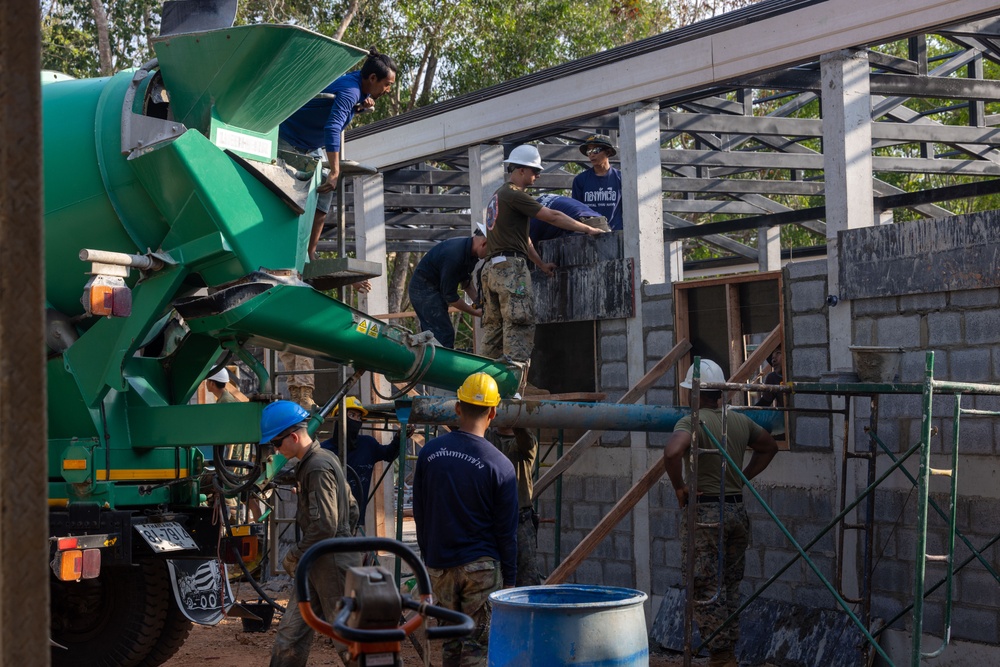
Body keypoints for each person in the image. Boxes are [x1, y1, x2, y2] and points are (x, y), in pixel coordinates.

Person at [663, 359, 778, 667]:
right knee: (728, 584)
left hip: (707, 514)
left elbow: (673, 452)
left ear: (695, 394)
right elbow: (769, 446)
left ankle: (721, 655)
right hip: (736, 510)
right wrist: (740, 478)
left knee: (704, 584)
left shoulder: (693, 421)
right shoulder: (739, 420)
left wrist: (679, 488)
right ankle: (727, 653)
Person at [412, 373, 519, 666]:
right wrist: (509, 579)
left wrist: (428, 560)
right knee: (476, 649)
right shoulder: (501, 465)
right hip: (481, 570)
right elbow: (507, 531)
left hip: (439, 566)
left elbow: (420, 512)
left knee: (450, 645)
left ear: (458, 407)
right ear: (493, 413)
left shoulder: (430, 453)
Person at [481, 144, 605, 366]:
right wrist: (588, 229)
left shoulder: (498, 196)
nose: (537, 176)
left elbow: (524, 237)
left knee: (495, 331)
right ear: (521, 170)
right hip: (510, 270)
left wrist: (539, 264)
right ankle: (514, 387)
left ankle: (481, 381)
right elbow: (553, 216)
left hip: (493, 269)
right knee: (518, 324)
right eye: (534, 171)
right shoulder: (514, 194)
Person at [261, 401, 361, 667]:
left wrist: (295, 554)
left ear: (293, 436)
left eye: (277, 443)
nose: (276, 449)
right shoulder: (317, 463)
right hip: (318, 560)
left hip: (331, 562)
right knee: (290, 634)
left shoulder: (317, 466)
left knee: (349, 639)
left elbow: (325, 525)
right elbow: (351, 509)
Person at [279, 48, 397, 260]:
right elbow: (333, 127)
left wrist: (361, 105)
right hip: (290, 138)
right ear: (372, 78)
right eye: (387, 84)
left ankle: (310, 252)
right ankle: (285, 246)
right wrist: (335, 170)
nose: (388, 90)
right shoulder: (351, 91)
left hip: (309, 144)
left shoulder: (358, 87)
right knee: (300, 189)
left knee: (324, 190)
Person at [279, 279, 372, 411]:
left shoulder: (302, 261)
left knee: (302, 346)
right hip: (284, 296)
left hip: (297, 294)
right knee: (286, 348)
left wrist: (353, 281)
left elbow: (319, 266)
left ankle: (304, 394)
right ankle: (296, 395)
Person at [320, 396, 407, 526]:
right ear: (338, 417)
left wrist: (399, 438)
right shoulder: (324, 450)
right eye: (352, 415)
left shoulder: (367, 445)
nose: (356, 420)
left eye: (359, 417)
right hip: (328, 518)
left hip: (355, 517)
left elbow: (389, 454)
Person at [408, 226, 489, 348]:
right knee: (443, 334)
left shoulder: (471, 253)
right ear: (484, 243)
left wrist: (479, 303)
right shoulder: (454, 256)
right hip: (423, 289)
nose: (490, 254)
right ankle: (435, 365)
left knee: (435, 334)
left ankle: (423, 356)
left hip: (434, 288)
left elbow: (466, 282)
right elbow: (451, 297)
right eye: (490, 250)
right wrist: (474, 312)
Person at [485, 426, 542, 586]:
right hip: (490, 520)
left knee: (526, 581)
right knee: (488, 578)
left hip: (520, 521)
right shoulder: (487, 437)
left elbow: (527, 442)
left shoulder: (525, 441)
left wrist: (516, 417)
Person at [571, 134, 623, 231]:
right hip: (590, 234)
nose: (592, 154)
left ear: (608, 152)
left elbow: (630, 209)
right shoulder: (580, 180)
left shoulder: (621, 178)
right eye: (589, 151)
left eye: (596, 150)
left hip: (616, 234)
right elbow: (576, 211)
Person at [528, 194, 609, 246]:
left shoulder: (533, 218)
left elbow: (529, 246)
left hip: (580, 227)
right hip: (599, 221)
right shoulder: (545, 197)